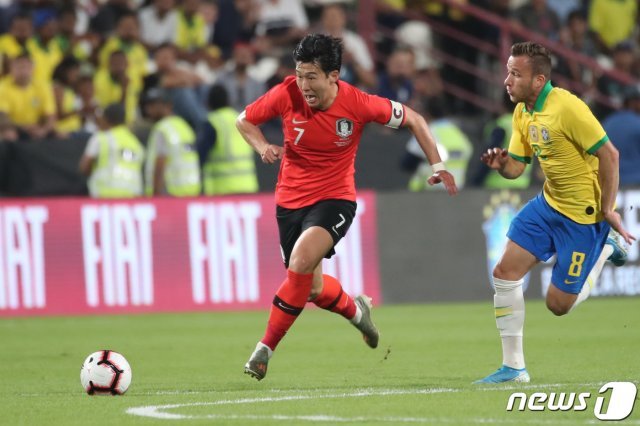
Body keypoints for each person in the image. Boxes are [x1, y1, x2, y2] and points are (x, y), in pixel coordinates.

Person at [237, 33, 457, 381]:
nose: (304, 84)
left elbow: (415, 119)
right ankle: (357, 312)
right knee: (309, 287)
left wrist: (438, 167)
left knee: (300, 262)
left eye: (312, 76)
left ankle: (264, 349)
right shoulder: (287, 93)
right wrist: (262, 146)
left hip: (335, 198)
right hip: (290, 201)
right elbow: (244, 121)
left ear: (333, 76)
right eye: (299, 74)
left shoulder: (358, 103)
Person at [476, 42, 636, 384]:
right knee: (504, 272)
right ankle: (514, 368)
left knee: (558, 305)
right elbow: (518, 168)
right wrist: (502, 164)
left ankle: (607, 247)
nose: (507, 80)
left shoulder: (567, 107)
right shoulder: (523, 112)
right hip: (548, 205)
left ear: (538, 80)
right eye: (507, 72)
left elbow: (610, 154)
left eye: (516, 74)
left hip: (582, 217)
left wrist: (608, 209)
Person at [197, 84, 258, 195]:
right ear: (228, 100)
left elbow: (201, 155)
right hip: (248, 186)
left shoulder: (212, 122)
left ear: (208, 103)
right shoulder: (242, 119)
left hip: (222, 189)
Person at [79, 103, 145, 198]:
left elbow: (84, 167)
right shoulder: (136, 144)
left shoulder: (101, 138)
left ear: (105, 119)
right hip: (132, 196)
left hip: (105, 195)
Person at [143, 88, 201, 196]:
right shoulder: (185, 127)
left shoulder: (162, 128)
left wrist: (156, 196)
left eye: (153, 105)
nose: (148, 110)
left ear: (167, 105)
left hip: (169, 193)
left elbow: (160, 165)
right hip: (191, 193)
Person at [602, 85, 640, 186]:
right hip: (636, 185)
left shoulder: (607, 123)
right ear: (633, 102)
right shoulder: (637, 123)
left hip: (612, 186)